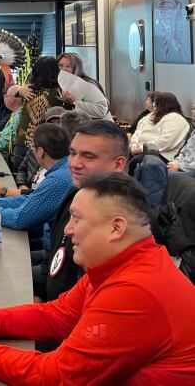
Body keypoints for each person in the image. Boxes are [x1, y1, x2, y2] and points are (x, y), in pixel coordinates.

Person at [0, 172, 195, 384]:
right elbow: (58, 315)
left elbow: (57, 376)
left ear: (116, 227)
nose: (67, 231)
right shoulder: (122, 264)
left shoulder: (136, 289)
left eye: (76, 219)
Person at [36, 120, 129, 304]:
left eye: (88, 156)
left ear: (118, 164)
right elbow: (54, 253)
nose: (75, 163)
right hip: (51, 307)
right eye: (72, 153)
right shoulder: (75, 194)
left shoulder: (125, 219)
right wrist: (37, 295)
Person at [0, 124, 72, 247]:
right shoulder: (64, 169)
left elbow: (20, 219)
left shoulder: (57, 179)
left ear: (40, 152)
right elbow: (31, 199)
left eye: (32, 147)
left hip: (50, 255)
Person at [12, 56, 63, 170]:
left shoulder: (29, 89)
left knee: (18, 176)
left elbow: (14, 96)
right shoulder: (58, 93)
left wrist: (19, 91)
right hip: (42, 144)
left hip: (22, 140)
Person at [129, 91, 190, 161]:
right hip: (141, 151)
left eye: (156, 104)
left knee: (136, 160)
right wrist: (134, 144)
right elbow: (138, 132)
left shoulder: (176, 118)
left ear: (165, 105)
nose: (154, 106)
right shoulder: (150, 116)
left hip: (161, 155)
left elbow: (165, 142)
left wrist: (141, 148)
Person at [56, 52, 113, 121]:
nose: (63, 69)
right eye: (61, 65)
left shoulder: (87, 84)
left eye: (68, 66)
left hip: (101, 128)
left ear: (76, 68)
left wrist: (74, 102)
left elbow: (102, 108)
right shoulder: (62, 84)